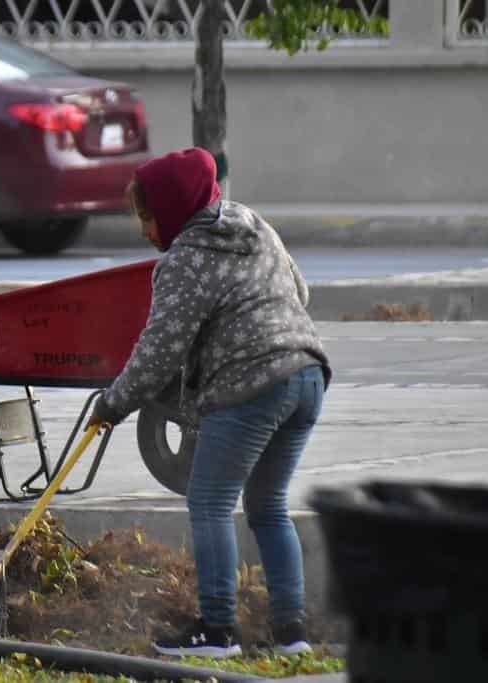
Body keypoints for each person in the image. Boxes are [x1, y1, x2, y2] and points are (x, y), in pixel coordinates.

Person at [87, 147, 330, 658]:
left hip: (251, 384)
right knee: (268, 506)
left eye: (147, 216)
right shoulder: (252, 223)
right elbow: (300, 291)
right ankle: (292, 633)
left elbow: (160, 348)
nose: (144, 230)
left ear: (172, 208)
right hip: (307, 372)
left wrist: (113, 403)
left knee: (210, 502)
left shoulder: (186, 259)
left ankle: (217, 631)